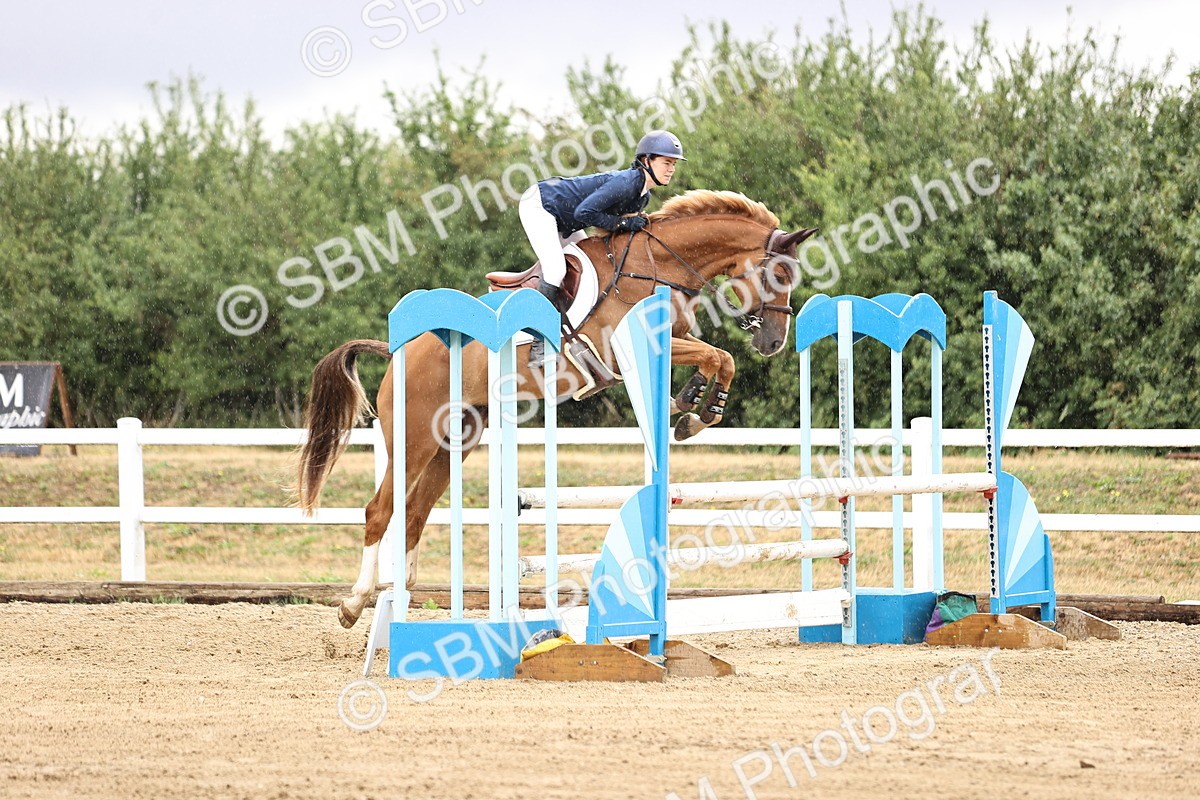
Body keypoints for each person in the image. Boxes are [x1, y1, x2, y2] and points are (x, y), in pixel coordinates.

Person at [519, 129, 685, 365]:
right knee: (556, 270)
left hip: (568, 219)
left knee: (589, 268)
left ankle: (572, 329)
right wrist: (623, 223)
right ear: (647, 161)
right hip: (542, 205)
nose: (671, 169)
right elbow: (584, 212)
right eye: (667, 163)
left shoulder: (642, 196)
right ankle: (539, 342)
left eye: (674, 164)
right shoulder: (627, 183)